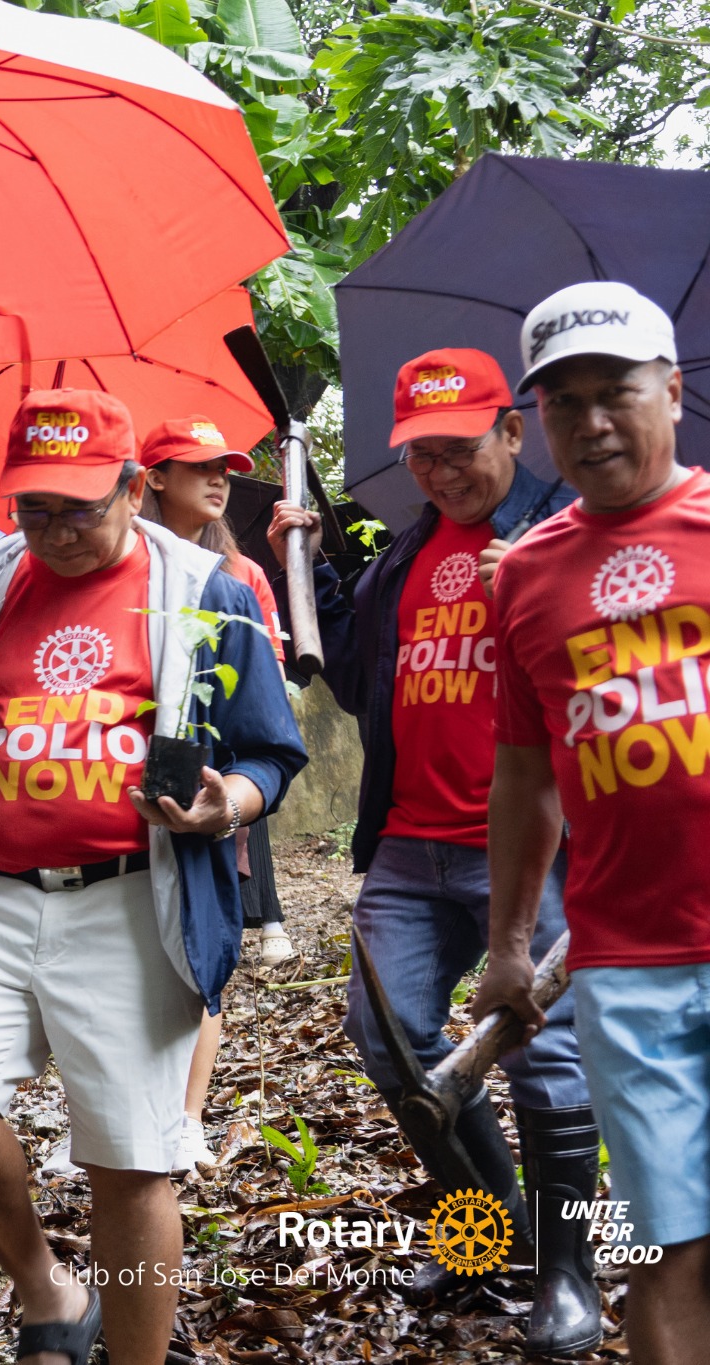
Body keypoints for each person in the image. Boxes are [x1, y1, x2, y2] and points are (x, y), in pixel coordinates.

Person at [0, 389, 305, 1365]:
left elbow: (272, 751)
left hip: (131, 899)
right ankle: (44, 1283)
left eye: (78, 507)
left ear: (133, 489)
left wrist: (227, 802)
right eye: (33, 508)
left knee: (129, 1165)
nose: (52, 530)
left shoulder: (203, 589)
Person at [268, 348, 595, 1351]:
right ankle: (487, 1234)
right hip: (409, 840)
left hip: (533, 847)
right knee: (387, 1035)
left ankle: (563, 1274)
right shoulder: (406, 555)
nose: (440, 472)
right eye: (419, 455)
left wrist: (547, 588)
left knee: (541, 1059)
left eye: (457, 449)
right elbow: (354, 674)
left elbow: (629, 663)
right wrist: (308, 563)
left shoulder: (572, 531)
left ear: (510, 429)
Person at [477, 282, 705, 1365]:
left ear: (670, 390)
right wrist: (508, 945)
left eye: (613, 391)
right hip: (623, 963)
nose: (591, 421)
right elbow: (522, 776)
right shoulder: (519, 575)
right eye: (562, 403)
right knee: (670, 1248)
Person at [129, 415, 289, 1180]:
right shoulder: (124, 575)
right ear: (153, 476)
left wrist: (232, 795)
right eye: (199, 466)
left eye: (224, 465)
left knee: (199, 952)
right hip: (125, 794)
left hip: (208, 780)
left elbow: (259, 684)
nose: (220, 477)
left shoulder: (237, 578)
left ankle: (187, 1117)